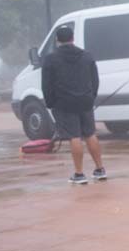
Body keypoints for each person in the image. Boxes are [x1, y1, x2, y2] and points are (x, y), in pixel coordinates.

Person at [41, 23, 105, 183]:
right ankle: (100, 169)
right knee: (90, 134)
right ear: (73, 38)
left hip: (64, 103)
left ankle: (79, 173)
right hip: (85, 101)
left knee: (74, 136)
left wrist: (50, 103)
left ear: (57, 40)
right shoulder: (87, 56)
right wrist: (91, 97)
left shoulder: (50, 59)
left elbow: (46, 84)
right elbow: (95, 80)